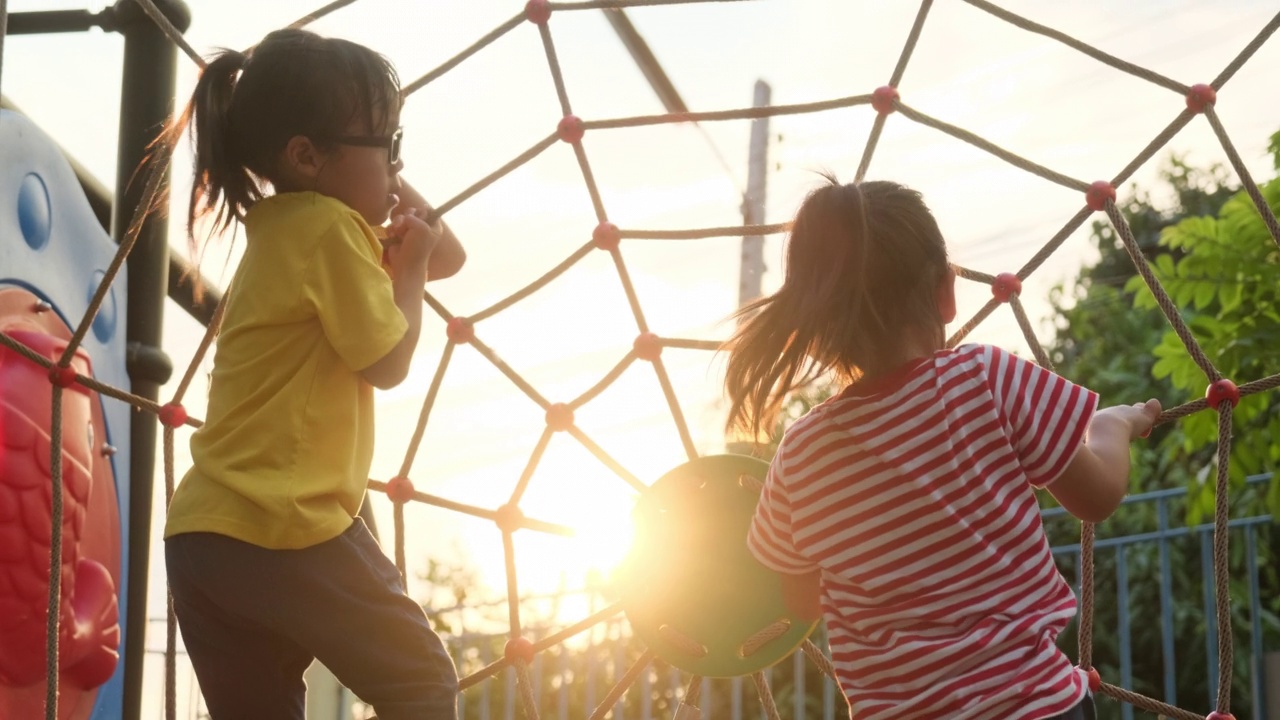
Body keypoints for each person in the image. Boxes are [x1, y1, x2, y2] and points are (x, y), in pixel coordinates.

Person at [724, 178, 1160, 720]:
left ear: (817, 327)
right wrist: (1113, 426)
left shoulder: (802, 453)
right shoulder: (984, 376)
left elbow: (800, 601)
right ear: (946, 292)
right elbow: (1096, 497)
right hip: (1037, 707)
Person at [161, 28, 466, 720]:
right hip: (283, 524)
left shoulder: (286, 227)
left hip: (205, 539)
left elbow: (445, 253)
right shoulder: (329, 229)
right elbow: (389, 361)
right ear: (306, 155)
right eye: (386, 146)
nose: (395, 166)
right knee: (420, 681)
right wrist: (409, 270)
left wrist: (381, 171)